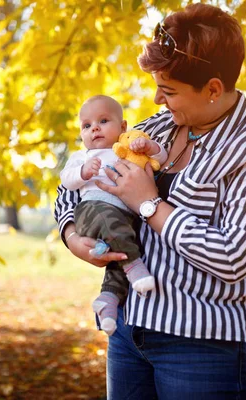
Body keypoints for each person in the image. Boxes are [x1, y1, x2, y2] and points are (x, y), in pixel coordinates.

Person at [54, 4, 246, 399]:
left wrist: (149, 204)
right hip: (129, 329)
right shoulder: (155, 128)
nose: (156, 99)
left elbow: (234, 256)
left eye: (167, 91)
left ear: (214, 88)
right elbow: (78, 178)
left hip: (206, 342)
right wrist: (71, 236)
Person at [60, 95, 168, 336]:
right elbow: (66, 182)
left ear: (122, 127)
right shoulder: (83, 157)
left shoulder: (127, 148)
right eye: (86, 126)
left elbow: (160, 160)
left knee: (118, 261)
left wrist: (151, 148)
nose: (94, 128)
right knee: (119, 236)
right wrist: (83, 173)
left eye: (103, 121)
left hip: (122, 218)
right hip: (92, 210)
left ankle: (107, 303)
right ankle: (135, 265)